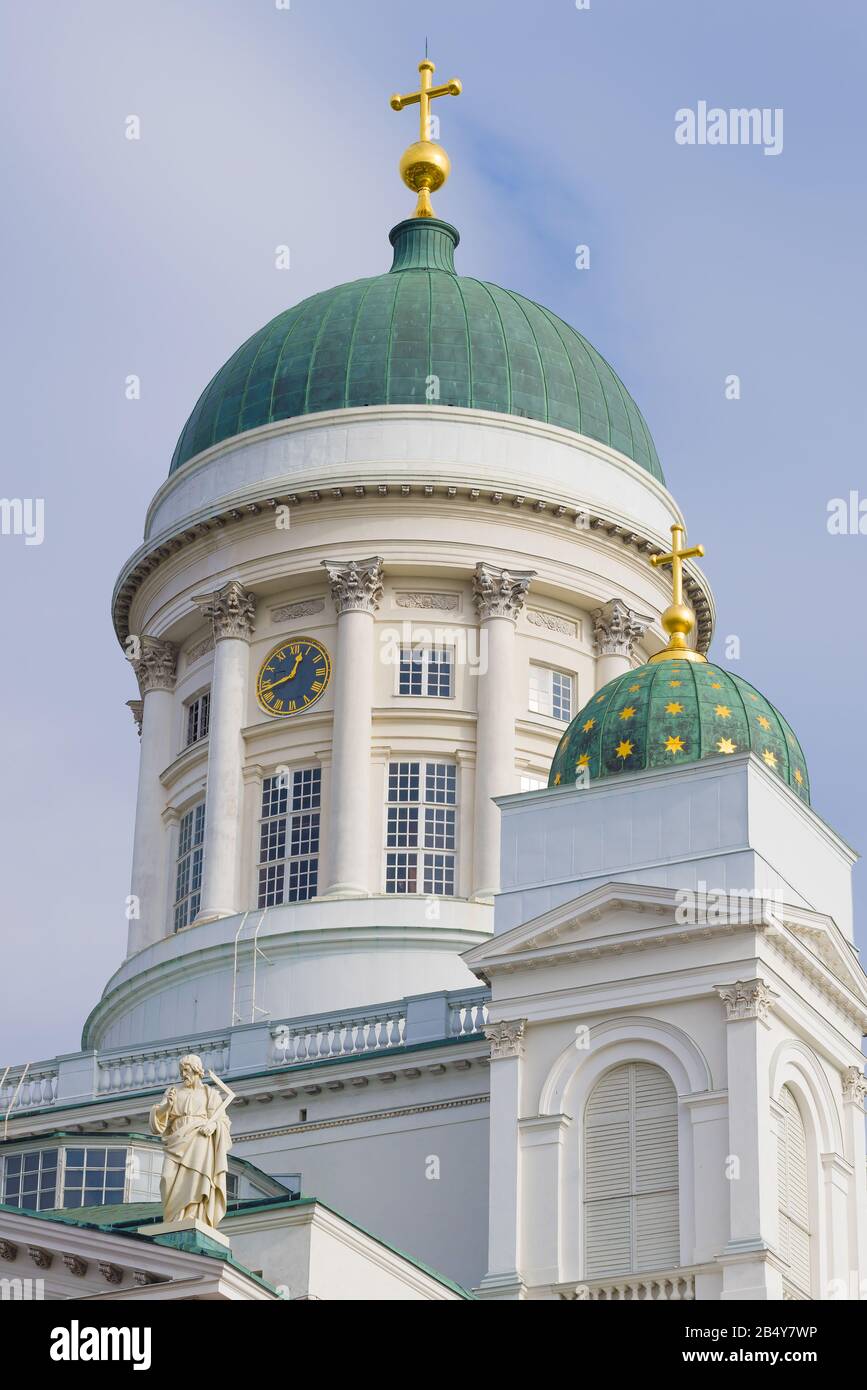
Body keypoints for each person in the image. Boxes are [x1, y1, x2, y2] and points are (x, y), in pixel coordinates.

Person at [148, 1053, 233, 1228]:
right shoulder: (173, 1092)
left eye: (186, 1070)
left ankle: (193, 1215)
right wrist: (167, 1106)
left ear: (196, 1071)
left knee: (196, 1179)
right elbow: (157, 1125)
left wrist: (213, 1126)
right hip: (176, 1140)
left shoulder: (210, 1094)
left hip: (200, 1139)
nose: (183, 1074)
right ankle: (172, 1218)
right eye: (181, 1071)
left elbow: (223, 1121)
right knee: (166, 1178)